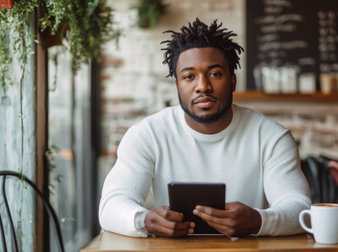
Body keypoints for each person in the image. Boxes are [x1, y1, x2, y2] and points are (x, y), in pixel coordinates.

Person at [99, 18, 311, 238]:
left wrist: (259, 221)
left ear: (233, 81)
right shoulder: (147, 134)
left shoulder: (271, 137)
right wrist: (145, 221)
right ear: (177, 86)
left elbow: (300, 208)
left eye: (215, 74)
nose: (202, 86)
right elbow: (110, 206)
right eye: (189, 76)